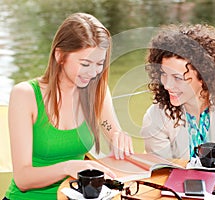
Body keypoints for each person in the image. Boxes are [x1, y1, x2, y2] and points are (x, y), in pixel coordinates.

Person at [4, 13, 133, 200]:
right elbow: (23, 179)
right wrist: (68, 167)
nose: (93, 72)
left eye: (99, 64)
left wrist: (118, 137)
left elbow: (112, 131)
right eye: (85, 63)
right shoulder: (25, 95)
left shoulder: (97, 91)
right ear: (60, 55)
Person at [140, 23, 215, 160]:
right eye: (163, 74)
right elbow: (163, 171)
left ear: (204, 77)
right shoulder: (155, 118)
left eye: (178, 78)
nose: (167, 85)